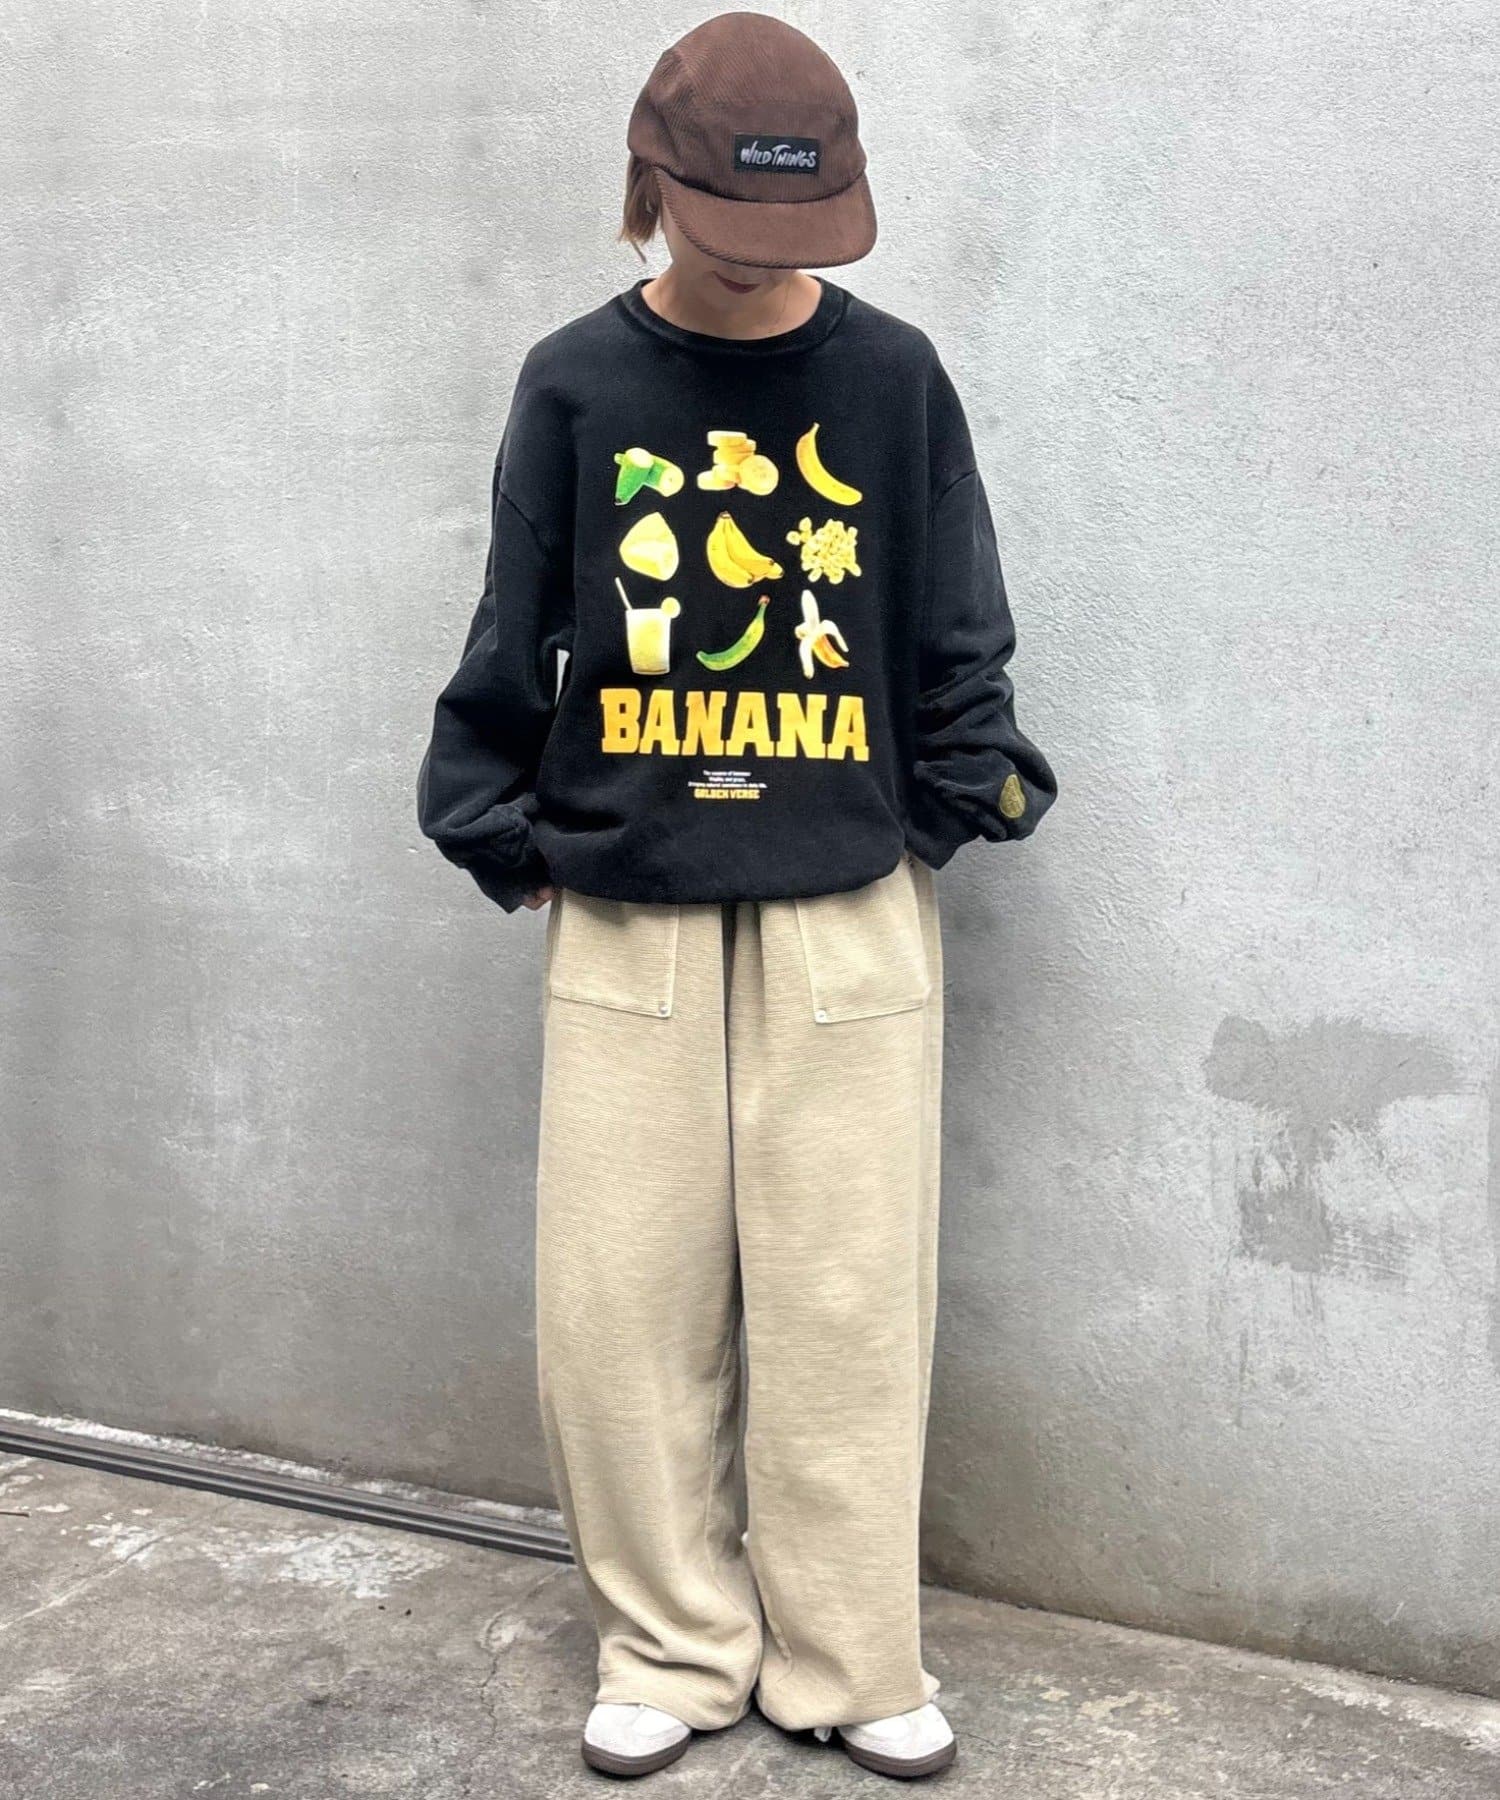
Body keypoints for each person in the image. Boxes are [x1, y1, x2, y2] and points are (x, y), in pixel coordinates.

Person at [417, 12, 1056, 1780]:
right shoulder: (575, 379)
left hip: (845, 902)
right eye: (728, 224)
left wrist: (937, 815)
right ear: (652, 184)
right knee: (618, 1312)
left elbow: (958, 625)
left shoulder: (895, 375)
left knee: (852, 1302)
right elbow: (515, 621)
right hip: (628, 898)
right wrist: (501, 832)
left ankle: (849, 1656)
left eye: (802, 227)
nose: (767, 264)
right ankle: (672, 1646)